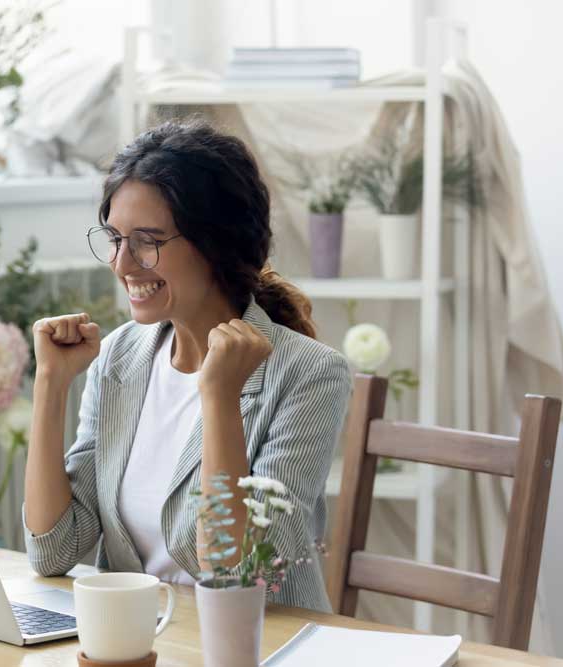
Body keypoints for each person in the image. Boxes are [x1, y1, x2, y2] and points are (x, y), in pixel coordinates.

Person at [22, 119, 352, 612]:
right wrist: (50, 385)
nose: (122, 264)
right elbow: (53, 550)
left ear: (216, 244)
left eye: (148, 241)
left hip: (259, 647)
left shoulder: (308, 373)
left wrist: (219, 399)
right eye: (115, 237)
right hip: (140, 644)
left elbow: (238, 572)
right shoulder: (120, 356)